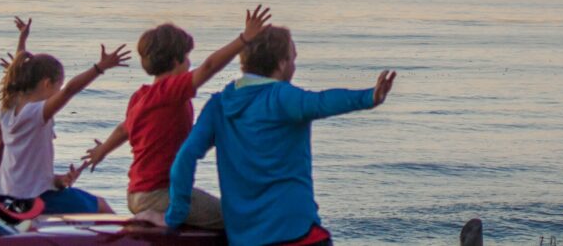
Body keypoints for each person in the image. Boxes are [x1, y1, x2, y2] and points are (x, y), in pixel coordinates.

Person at [165, 22, 396, 245]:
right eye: (293, 59)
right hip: (296, 232)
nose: (294, 66)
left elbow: (185, 158)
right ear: (282, 63)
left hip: (245, 238)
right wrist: (369, 97)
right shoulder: (281, 97)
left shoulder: (219, 105)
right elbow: (322, 101)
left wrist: (177, 214)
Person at [72, 2, 272, 227]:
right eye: (187, 57)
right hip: (159, 195)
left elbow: (123, 129)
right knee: (238, 218)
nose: (190, 63)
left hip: (138, 193)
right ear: (176, 61)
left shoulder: (141, 97)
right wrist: (244, 39)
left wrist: (102, 150)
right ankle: (160, 218)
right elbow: (208, 67)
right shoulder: (169, 91)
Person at [0, 16, 133, 218]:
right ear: (47, 84)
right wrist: (99, 68)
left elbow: (18, 72)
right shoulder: (36, 113)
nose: (59, 91)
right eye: (57, 86)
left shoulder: (9, 107)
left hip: (7, 198)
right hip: (32, 201)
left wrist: (56, 180)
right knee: (102, 206)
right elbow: (70, 90)